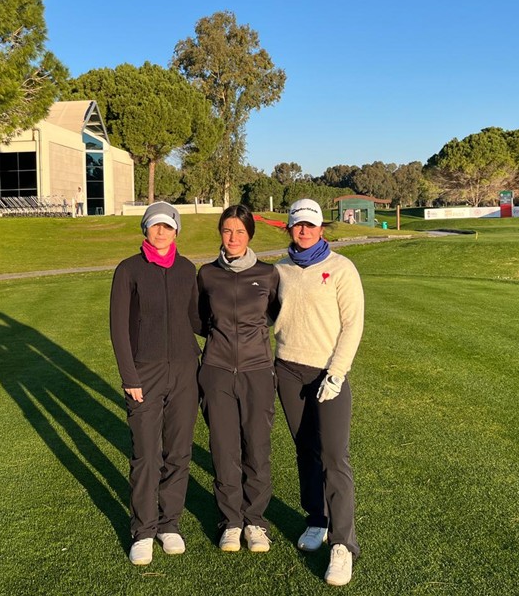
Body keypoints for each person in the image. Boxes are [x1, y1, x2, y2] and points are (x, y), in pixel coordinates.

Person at [274, 198, 365, 587]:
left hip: (327, 372)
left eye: (311, 225)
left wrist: (337, 373)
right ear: (290, 228)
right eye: (298, 225)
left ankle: (343, 544)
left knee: (333, 456)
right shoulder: (280, 269)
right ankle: (317, 519)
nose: (304, 230)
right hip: (287, 369)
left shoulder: (341, 268)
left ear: (321, 228)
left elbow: (353, 324)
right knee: (305, 449)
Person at [109, 201, 201, 566]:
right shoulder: (128, 270)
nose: (161, 231)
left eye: (167, 226)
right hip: (144, 373)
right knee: (146, 454)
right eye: (154, 225)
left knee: (178, 452)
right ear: (145, 229)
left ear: (177, 231)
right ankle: (144, 530)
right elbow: (118, 328)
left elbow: (197, 318)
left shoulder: (187, 269)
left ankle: (169, 524)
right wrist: (129, 376)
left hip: (185, 371)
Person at [196, 204, 280, 553]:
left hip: (257, 371)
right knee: (224, 449)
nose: (233, 238)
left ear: (250, 235)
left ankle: (255, 521)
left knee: (257, 449)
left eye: (240, 232)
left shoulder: (269, 274)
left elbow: (273, 314)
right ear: (220, 233)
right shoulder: (207, 274)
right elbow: (200, 319)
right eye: (227, 230)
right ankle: (231, 521)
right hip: (216, 372)